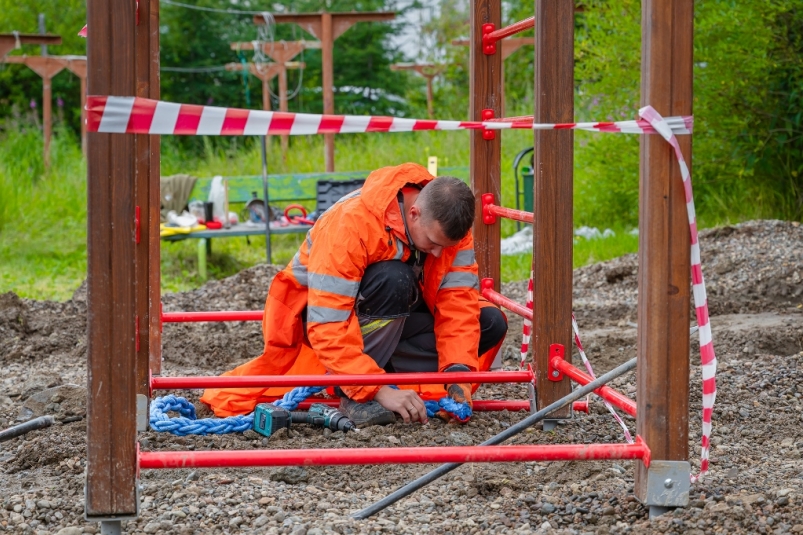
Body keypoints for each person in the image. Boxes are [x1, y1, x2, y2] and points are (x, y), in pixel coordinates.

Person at [201, 162, 507, 426]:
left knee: (491, 322)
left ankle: (377, 377)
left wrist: (456, 376)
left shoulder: (450, 230)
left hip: (389, 323)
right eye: (433, 242)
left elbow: (458, 307)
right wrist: (375, 389)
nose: (440, 252)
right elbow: (327, 325)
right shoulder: (349, 225)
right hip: (324, 326)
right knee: (393, 278)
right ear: (414, 213)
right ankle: (353, 392)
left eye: (446, 246)